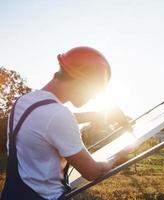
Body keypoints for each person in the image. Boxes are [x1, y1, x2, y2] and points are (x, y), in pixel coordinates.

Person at [1, 46, 132, 200]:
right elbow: (92, 172)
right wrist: (114, 158)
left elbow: (47, 123)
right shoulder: (58, 115)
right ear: (80, 81)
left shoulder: (24, 102)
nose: (94, 97)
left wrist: (98, 115)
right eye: (94, 90)